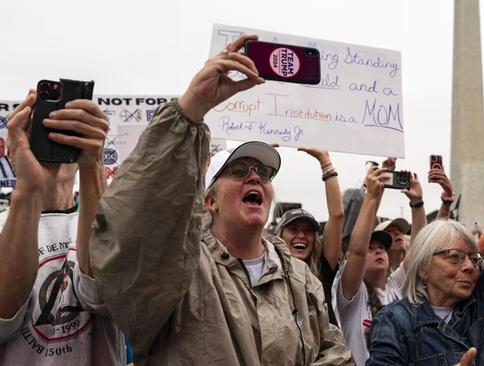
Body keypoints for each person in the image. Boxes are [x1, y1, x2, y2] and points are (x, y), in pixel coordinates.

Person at [89, 34, 352, 365]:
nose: (255, 177)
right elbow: (137, 225)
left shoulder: (299, 277)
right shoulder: (181, 270)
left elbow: (336, 351)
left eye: (263, 173)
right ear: (209, 201)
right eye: (239, 170)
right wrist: (191, 108)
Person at [366, 110, 484, 366]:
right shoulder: (394, 322)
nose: (468, 266)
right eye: (454, 257)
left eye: (473, 258)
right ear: (422, 269)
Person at [0, 90, 124, 364]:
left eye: (64, 133)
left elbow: (103, 298)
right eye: (40, 132)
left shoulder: (105, 220)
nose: (51, 143)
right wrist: (27, 187)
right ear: (13, 150)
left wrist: (93, 165)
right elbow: (2, 321)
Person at [334, 166, 426, 365]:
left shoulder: (395, 286)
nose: (378, 251)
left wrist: (417, 204)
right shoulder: (353, 295)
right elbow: (357, 250)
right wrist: (371, 197)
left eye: (382, 248)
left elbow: (420, 249)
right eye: (371, 247)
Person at [276, 147, 343, 325]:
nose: (301, 235)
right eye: (293, 229)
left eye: (308, 231)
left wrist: (325, 162)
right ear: (279, 235)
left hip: (325, 351)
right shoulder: (267, 269)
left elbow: (337, 216)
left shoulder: (323, 266)